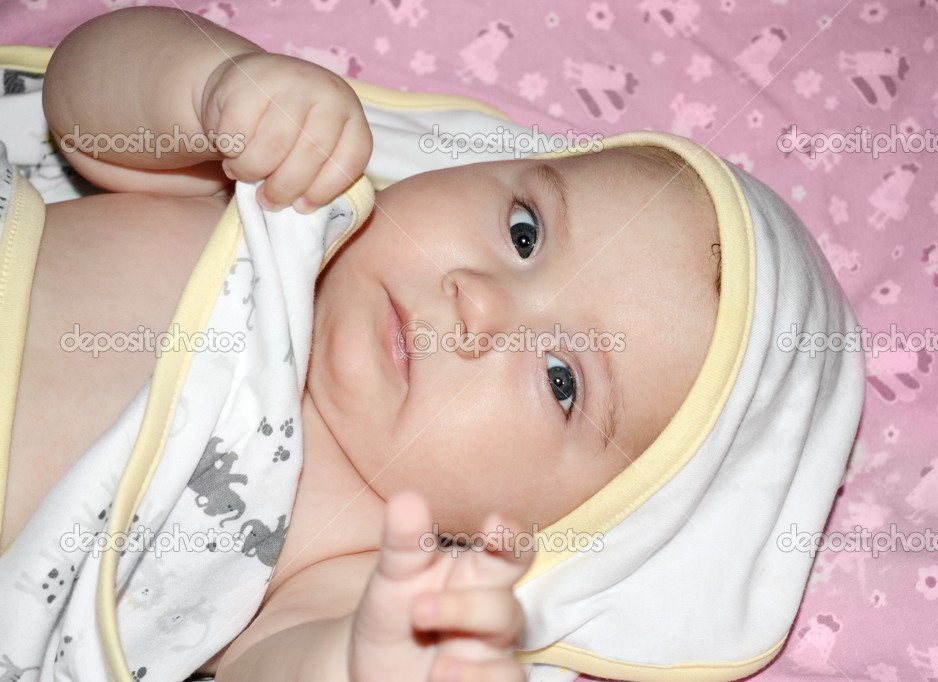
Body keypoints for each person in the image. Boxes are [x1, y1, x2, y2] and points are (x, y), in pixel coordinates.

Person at [0, 7, 726, 681]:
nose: (483, 300)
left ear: (564, 527)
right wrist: (209, 83)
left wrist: (371, 653)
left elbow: (273, 667)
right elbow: (82, 108)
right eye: (524, 232)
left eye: (561, 378)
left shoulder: (350, 558)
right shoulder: (283, 196)